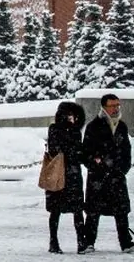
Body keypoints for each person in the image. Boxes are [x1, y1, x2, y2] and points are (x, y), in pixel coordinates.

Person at [80, 94, 134, 254]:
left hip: (117, 176)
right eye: (112, 106)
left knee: (121, 212)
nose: (115, 108)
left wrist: (122, 169)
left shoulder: (121, 126)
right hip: (98, 177)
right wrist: (96, 163)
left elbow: (126, 150)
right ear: (104, 107)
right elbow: (86, 153)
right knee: (93, 212)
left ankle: (125, 243)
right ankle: (88, 242)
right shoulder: (94, 126)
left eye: (117, 105)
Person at [45, 101, 86, 254]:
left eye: (74, 115)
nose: (72, 118)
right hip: (59, 174)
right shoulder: (55, 129)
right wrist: (74, 152)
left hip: (73, 175)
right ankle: (53, 241)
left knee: (78, 210)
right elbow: (56, 149)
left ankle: (81, 241)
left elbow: (78, 150)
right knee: (55, 211)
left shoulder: (76, 131)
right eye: (69, 115)